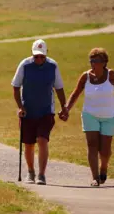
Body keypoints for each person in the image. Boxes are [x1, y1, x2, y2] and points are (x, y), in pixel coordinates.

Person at [63, 48, 114, 187]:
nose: (93, 64)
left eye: (96, 61)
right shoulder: (85, 77)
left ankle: (104, 167)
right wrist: (67, 108)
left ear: (104, 62)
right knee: (92, 145)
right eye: (91, 61)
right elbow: (76, 93)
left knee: (105, 149)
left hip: (109, 116)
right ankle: (95, 177)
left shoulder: (111, 75)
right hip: (89, 114)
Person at [11, 39, 67, 185]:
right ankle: (30, 172)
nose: (39, 59)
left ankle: (41, 175)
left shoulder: (53, 66)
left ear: (46, 54)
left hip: (46, 111)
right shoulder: (25, 65)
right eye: (36, 56)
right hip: (28, 111)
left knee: (42, 140)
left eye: (42, 56)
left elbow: (59, 88)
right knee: (29, 144)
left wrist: (64, 107)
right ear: (32, 54)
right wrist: (20, 107)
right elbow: (16, 87)